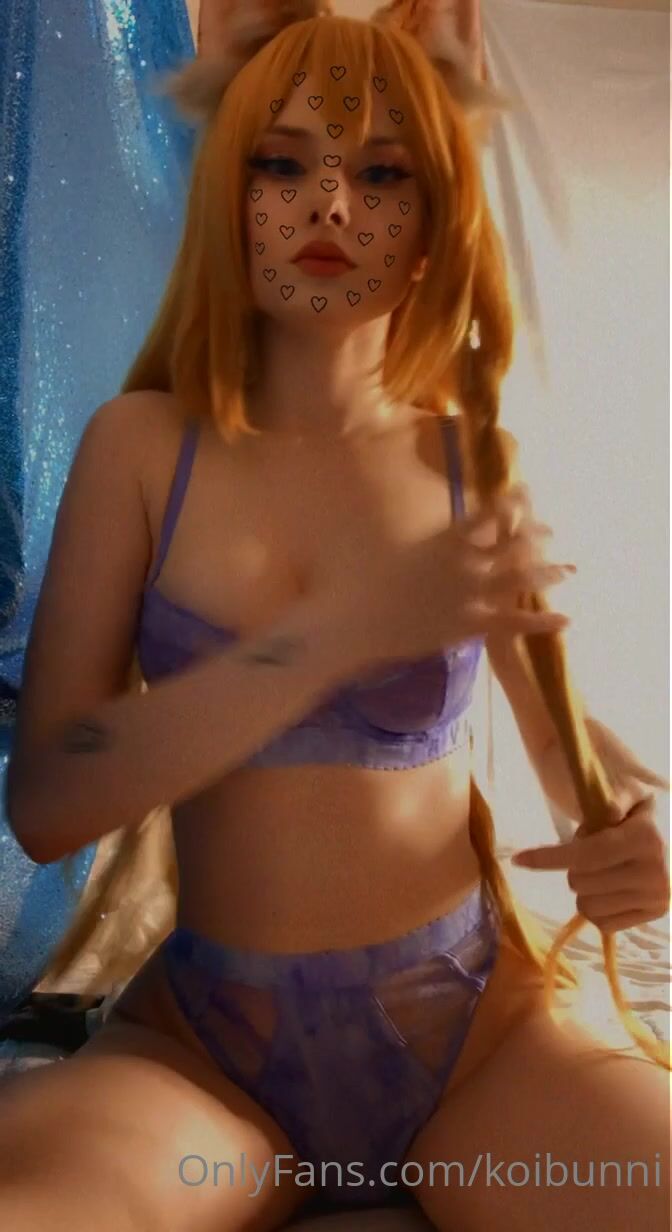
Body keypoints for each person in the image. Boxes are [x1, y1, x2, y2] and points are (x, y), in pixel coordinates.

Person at [1, 4, 669, 1230]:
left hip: (481, 1043)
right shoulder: (139, 449)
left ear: (435, 219)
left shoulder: (469, 464)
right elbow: (46, 801)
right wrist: (337, 633)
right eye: (284, 161)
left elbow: (581, 776)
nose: (330, 205)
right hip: (209, 1062)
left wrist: (627, 846)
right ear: (231, 192)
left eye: (381, 173)